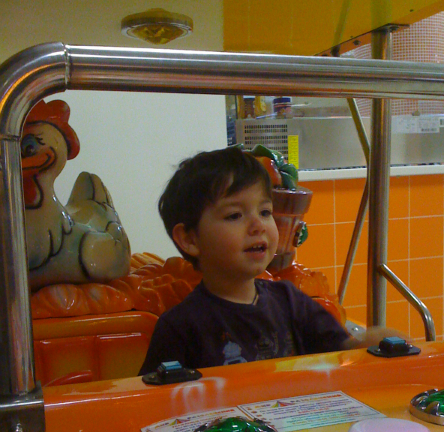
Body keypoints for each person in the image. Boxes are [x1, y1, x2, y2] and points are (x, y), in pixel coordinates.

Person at [139, 146, 399, 375]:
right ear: (190, 239)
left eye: (265, 212)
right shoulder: (179, 328)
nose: (258, 225)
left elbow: (342, 352)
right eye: (234, 215)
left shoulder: (290, 302)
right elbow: (153, 400)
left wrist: (366, 343)